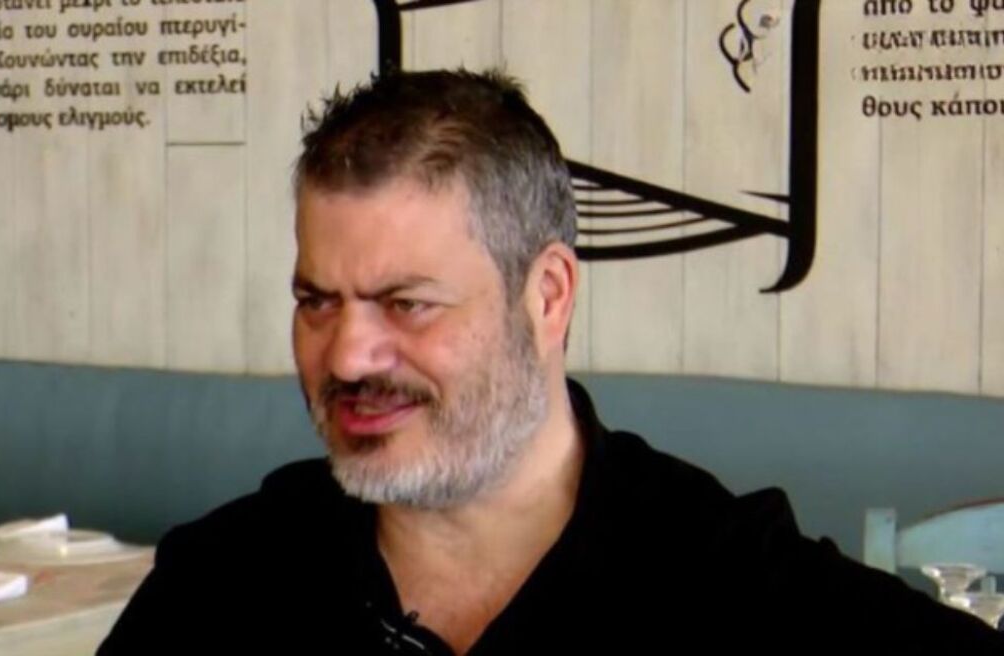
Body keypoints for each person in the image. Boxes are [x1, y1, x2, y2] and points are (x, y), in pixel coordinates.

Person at [99, 69, 1004, 654]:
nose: (348, 354)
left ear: (548, 296)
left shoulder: (729, 584)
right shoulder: (226, 582)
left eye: (407, 303)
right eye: (317, 302)